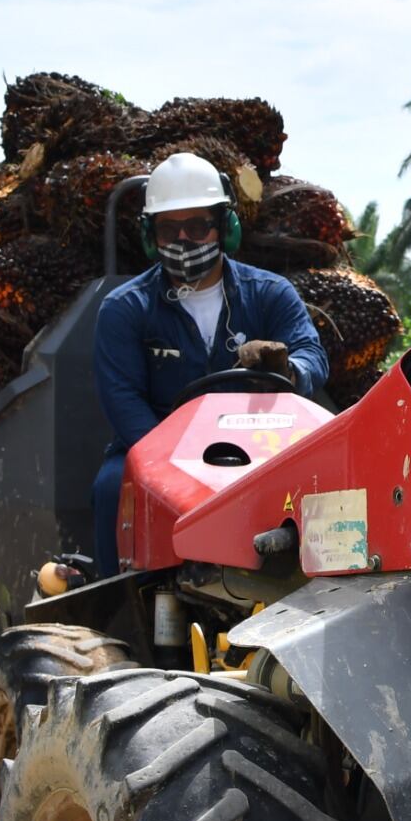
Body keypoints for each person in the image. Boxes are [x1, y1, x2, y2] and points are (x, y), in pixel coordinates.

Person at [89, 151, 328, 572]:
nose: (184, 240)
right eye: (169, 229)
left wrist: (289, 370)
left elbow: (312, 355)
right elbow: (123, 399)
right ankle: (118, 615)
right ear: (151, 236)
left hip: (263, 447)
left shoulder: (270, 294)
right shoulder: (125, 309)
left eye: (198, 226)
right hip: (155, 450)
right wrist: (168, 469)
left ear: (225, 228)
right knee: (111, 488)